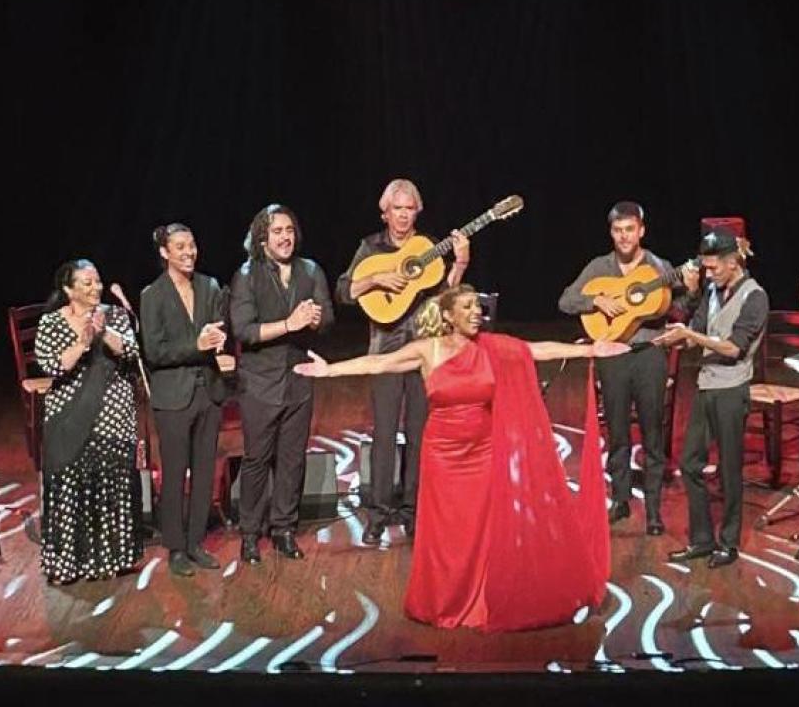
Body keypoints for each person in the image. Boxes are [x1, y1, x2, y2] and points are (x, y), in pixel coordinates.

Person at [297, 285, 627, 631]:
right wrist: (329, 371)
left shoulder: (493, 348)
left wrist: (592, 349)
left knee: (482, 530)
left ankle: (485, 599)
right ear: (448, 315)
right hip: (442, 455)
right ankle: (447, 600)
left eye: (478, 308)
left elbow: (535, 350)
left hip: (484, 452)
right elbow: (379, 362)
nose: (476, 313)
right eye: (467, 307)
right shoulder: (430, 350)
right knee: (448, 533)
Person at [335, 178, 470, 544]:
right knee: (383, 432)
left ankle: (414, 511)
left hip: (424, 348)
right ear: (385, 213)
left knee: (418, 431)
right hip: (385, 347)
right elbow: (344, 290)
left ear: (417, 212)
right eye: (397, 209)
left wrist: (460, 263)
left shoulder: (427, 248)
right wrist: (377, 277)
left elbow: (448, 299)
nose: (403, 216)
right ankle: (378, 514)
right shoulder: (370, 247)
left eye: (409, 209)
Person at [557, 201, 683, 536]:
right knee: (617, 431)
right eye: (618, 230)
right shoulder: (599, 267)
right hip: (612, 354)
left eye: (630, 229)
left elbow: (682, 305)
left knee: (653, 433)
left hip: (648, 355)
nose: (624, 237)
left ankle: (654, 510)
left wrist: (685, 296)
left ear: (642, 230)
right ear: (611, 233)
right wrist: (594, 301)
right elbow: (566, 300)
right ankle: (621, 500)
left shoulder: (660, 267)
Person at [654, 228, 768, 568]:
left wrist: (692, 335)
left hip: (732, 389)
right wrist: (674, 337)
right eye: (705, 266)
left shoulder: (755, 296)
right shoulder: (712, 292)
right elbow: (696, 334)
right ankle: (702, 539)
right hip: (706, 387)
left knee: (729, 469)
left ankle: (728, 542)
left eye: (714, 267)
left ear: (733, 262)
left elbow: (733, 348)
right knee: (689, 463)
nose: (708, 272)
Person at [229, 204, 335, 565]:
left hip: (299, 378)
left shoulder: (310, 271)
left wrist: (317, 320)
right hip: (260, 383)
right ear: (262, 238)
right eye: (277, 231)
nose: (286, 237)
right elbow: (243, 330)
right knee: (257, 459)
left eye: (289, 230)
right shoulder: (247, 275)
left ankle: (284, 529)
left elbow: (328, 319)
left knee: (292, 460)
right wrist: (289, 324)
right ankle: (249, 533)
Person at [33, 259, 144, 584]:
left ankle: (114, 558)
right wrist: (82, 342)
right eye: (87, 283)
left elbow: (132, 353)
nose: (96, 287)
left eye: (97, 281)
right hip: (70, 418)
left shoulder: (116, 315)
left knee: (112, 483)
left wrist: (103, 330)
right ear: (68, 289)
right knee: (71, 484)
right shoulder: (52, 323)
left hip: (113, 417)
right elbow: (52, 367)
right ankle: (70, 564)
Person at [139, 223, 230, 575]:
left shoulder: (209, 286)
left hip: (207, 391)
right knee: (175, 473)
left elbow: (220, 326)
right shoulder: (153, 295)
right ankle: (176, 547)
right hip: (173, 396)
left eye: (192, 245)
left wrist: (218, 338)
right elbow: (155, 351)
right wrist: (197, 345)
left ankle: (196, 542)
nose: (189, 252)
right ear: (165, 252)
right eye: (180, 247)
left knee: (205, 470)